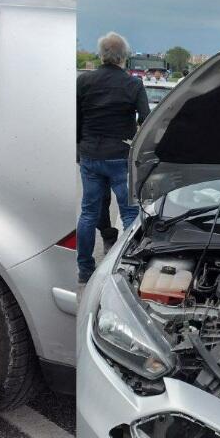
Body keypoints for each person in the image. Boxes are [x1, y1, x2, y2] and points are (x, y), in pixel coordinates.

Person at [76, 32, 149, 283]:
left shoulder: (84, 81)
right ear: (124, 57)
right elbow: (145, 119)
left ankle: (85, 269)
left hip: (90, 155)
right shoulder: (133, 84)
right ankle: (127, 269)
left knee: (88, 212)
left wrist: (80, 148)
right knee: (129, 213)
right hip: (120, 156)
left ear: (101, 55)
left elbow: (76, 118)